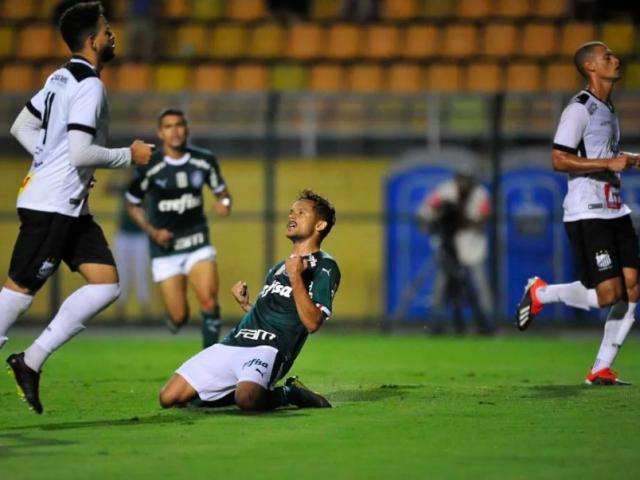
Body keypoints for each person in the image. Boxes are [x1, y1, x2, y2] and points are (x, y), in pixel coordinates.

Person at [0, 1, 153, 414]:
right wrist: (129, 154)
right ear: (92, 40)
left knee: (106, 284)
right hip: (52, 206)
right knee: (19, 292)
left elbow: (21, 126)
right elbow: (83, 152)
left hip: (67, 206)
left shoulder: (58, 78)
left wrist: (51, 161)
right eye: (107, 30)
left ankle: (29, 362)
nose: (112, 35)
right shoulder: (89, 86)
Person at [516, 42, 640, 385]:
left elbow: (603, 151)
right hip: (588, 212)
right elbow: (558, 158)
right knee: (608, 295)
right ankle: (541, 292)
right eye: (607, 57)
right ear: (590, 67)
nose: (615, 59)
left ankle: (601, 367)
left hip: (615, 208)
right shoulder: (579, 109)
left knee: (633, 286)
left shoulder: (607, 107)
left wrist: (628, 157)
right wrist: (607, 163)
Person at [158, 190, 340, 411]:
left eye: (301, 213)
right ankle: (226, 393)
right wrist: (247, 306)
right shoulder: (278, 267)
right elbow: (275, 313)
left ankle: (291, 393)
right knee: (168, 397)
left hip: (269, 349)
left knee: (247, 399)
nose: (292, 216)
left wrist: (295, 277)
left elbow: (313, 323)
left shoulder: (324, 266)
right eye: (291, 211)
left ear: (320, 225)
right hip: (234, 341)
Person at [125, 109, 231, 348]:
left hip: (196, 241)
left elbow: (222, 193)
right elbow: (132, 203)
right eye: (169, 126)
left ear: (187, 129)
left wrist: (224, 204)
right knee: (179, 316)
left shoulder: (204, 160)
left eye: (180, 125)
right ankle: (174, 319)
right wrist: (153, 232)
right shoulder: (149, 166)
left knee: (209, 302)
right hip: (165, 248)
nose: (175, 131)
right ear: (160, 133)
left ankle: (210, 362)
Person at [417, 172, 494, 334]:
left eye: (467, 180)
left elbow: (480, 221)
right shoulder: (446, 191)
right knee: (441, 287)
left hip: (472, 246)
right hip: (449, 247)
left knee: (479, 288)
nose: (463, 184)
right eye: (460, 180)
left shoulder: (480, 194)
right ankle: (435, 325)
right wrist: (438, 219)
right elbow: (425, 213)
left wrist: (459, 216)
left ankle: (487, 325)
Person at [106, 170, 151, 320]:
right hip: (123, 234)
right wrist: (121, 173)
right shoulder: (126, 186)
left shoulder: (147, 188)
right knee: (121, 272)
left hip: (141, 235)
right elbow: (108, 188)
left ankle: (145, 309)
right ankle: (120, 309)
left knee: (141, 272)